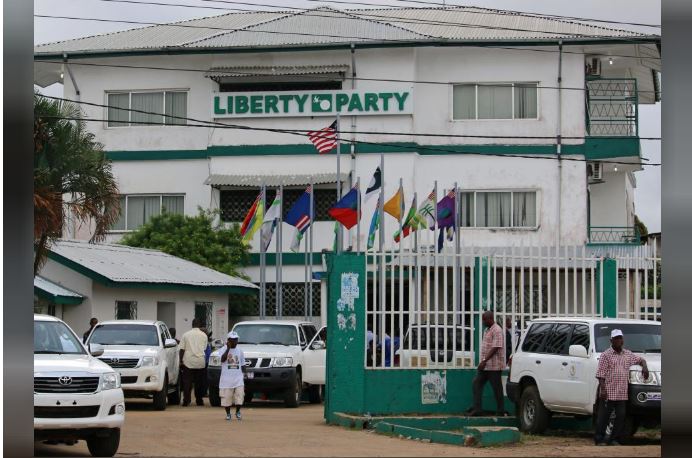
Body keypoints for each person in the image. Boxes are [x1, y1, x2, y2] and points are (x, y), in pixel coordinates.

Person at [594, 329, 650, 446]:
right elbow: (600, 374)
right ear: (611, 340)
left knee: (620, 417)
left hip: (621, 393)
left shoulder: (628, 354)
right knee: (604, 417)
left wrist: (645, 367)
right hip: (608, 392)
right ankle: (600, 439)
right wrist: (603, 389)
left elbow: (640, 359)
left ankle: (614, 439)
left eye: (620, 338)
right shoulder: (606, 355)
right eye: (616, 338)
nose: (619, 340)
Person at [468, 311, 505, 416]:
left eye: (484, 319)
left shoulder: (497, 330)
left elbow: (496, 347)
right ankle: (477, 408)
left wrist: (484, 361)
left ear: (490, 319)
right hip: (486, 365)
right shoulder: (487, 330)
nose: (483, 322)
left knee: (497, 388)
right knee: (476, 383)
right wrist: (483, 362)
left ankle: (500, 410)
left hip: (494, 366)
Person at [179, 319, 209, 406]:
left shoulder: (185, 335)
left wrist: (180, 360)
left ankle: (186, 400)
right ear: (199, 325)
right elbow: (204, 348)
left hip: (188, 361)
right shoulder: (204, 335)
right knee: (199, 383)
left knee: (187, 382)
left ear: (192, 325)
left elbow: (182, 349)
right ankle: (199, 400)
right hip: (200, 362)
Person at [218, 331, 246, 421]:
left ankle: (237, 411)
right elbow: (222, 359)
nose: (235, 341)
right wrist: (228, 349)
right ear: (228, 340)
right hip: (226, 380)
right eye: (233, 340)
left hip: (238, 379)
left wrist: (244, 375)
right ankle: (228, 414)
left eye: (236, 339)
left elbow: (243, 364)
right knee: (226, 398)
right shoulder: (223, 349)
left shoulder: (240, 350)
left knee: (240, 396)